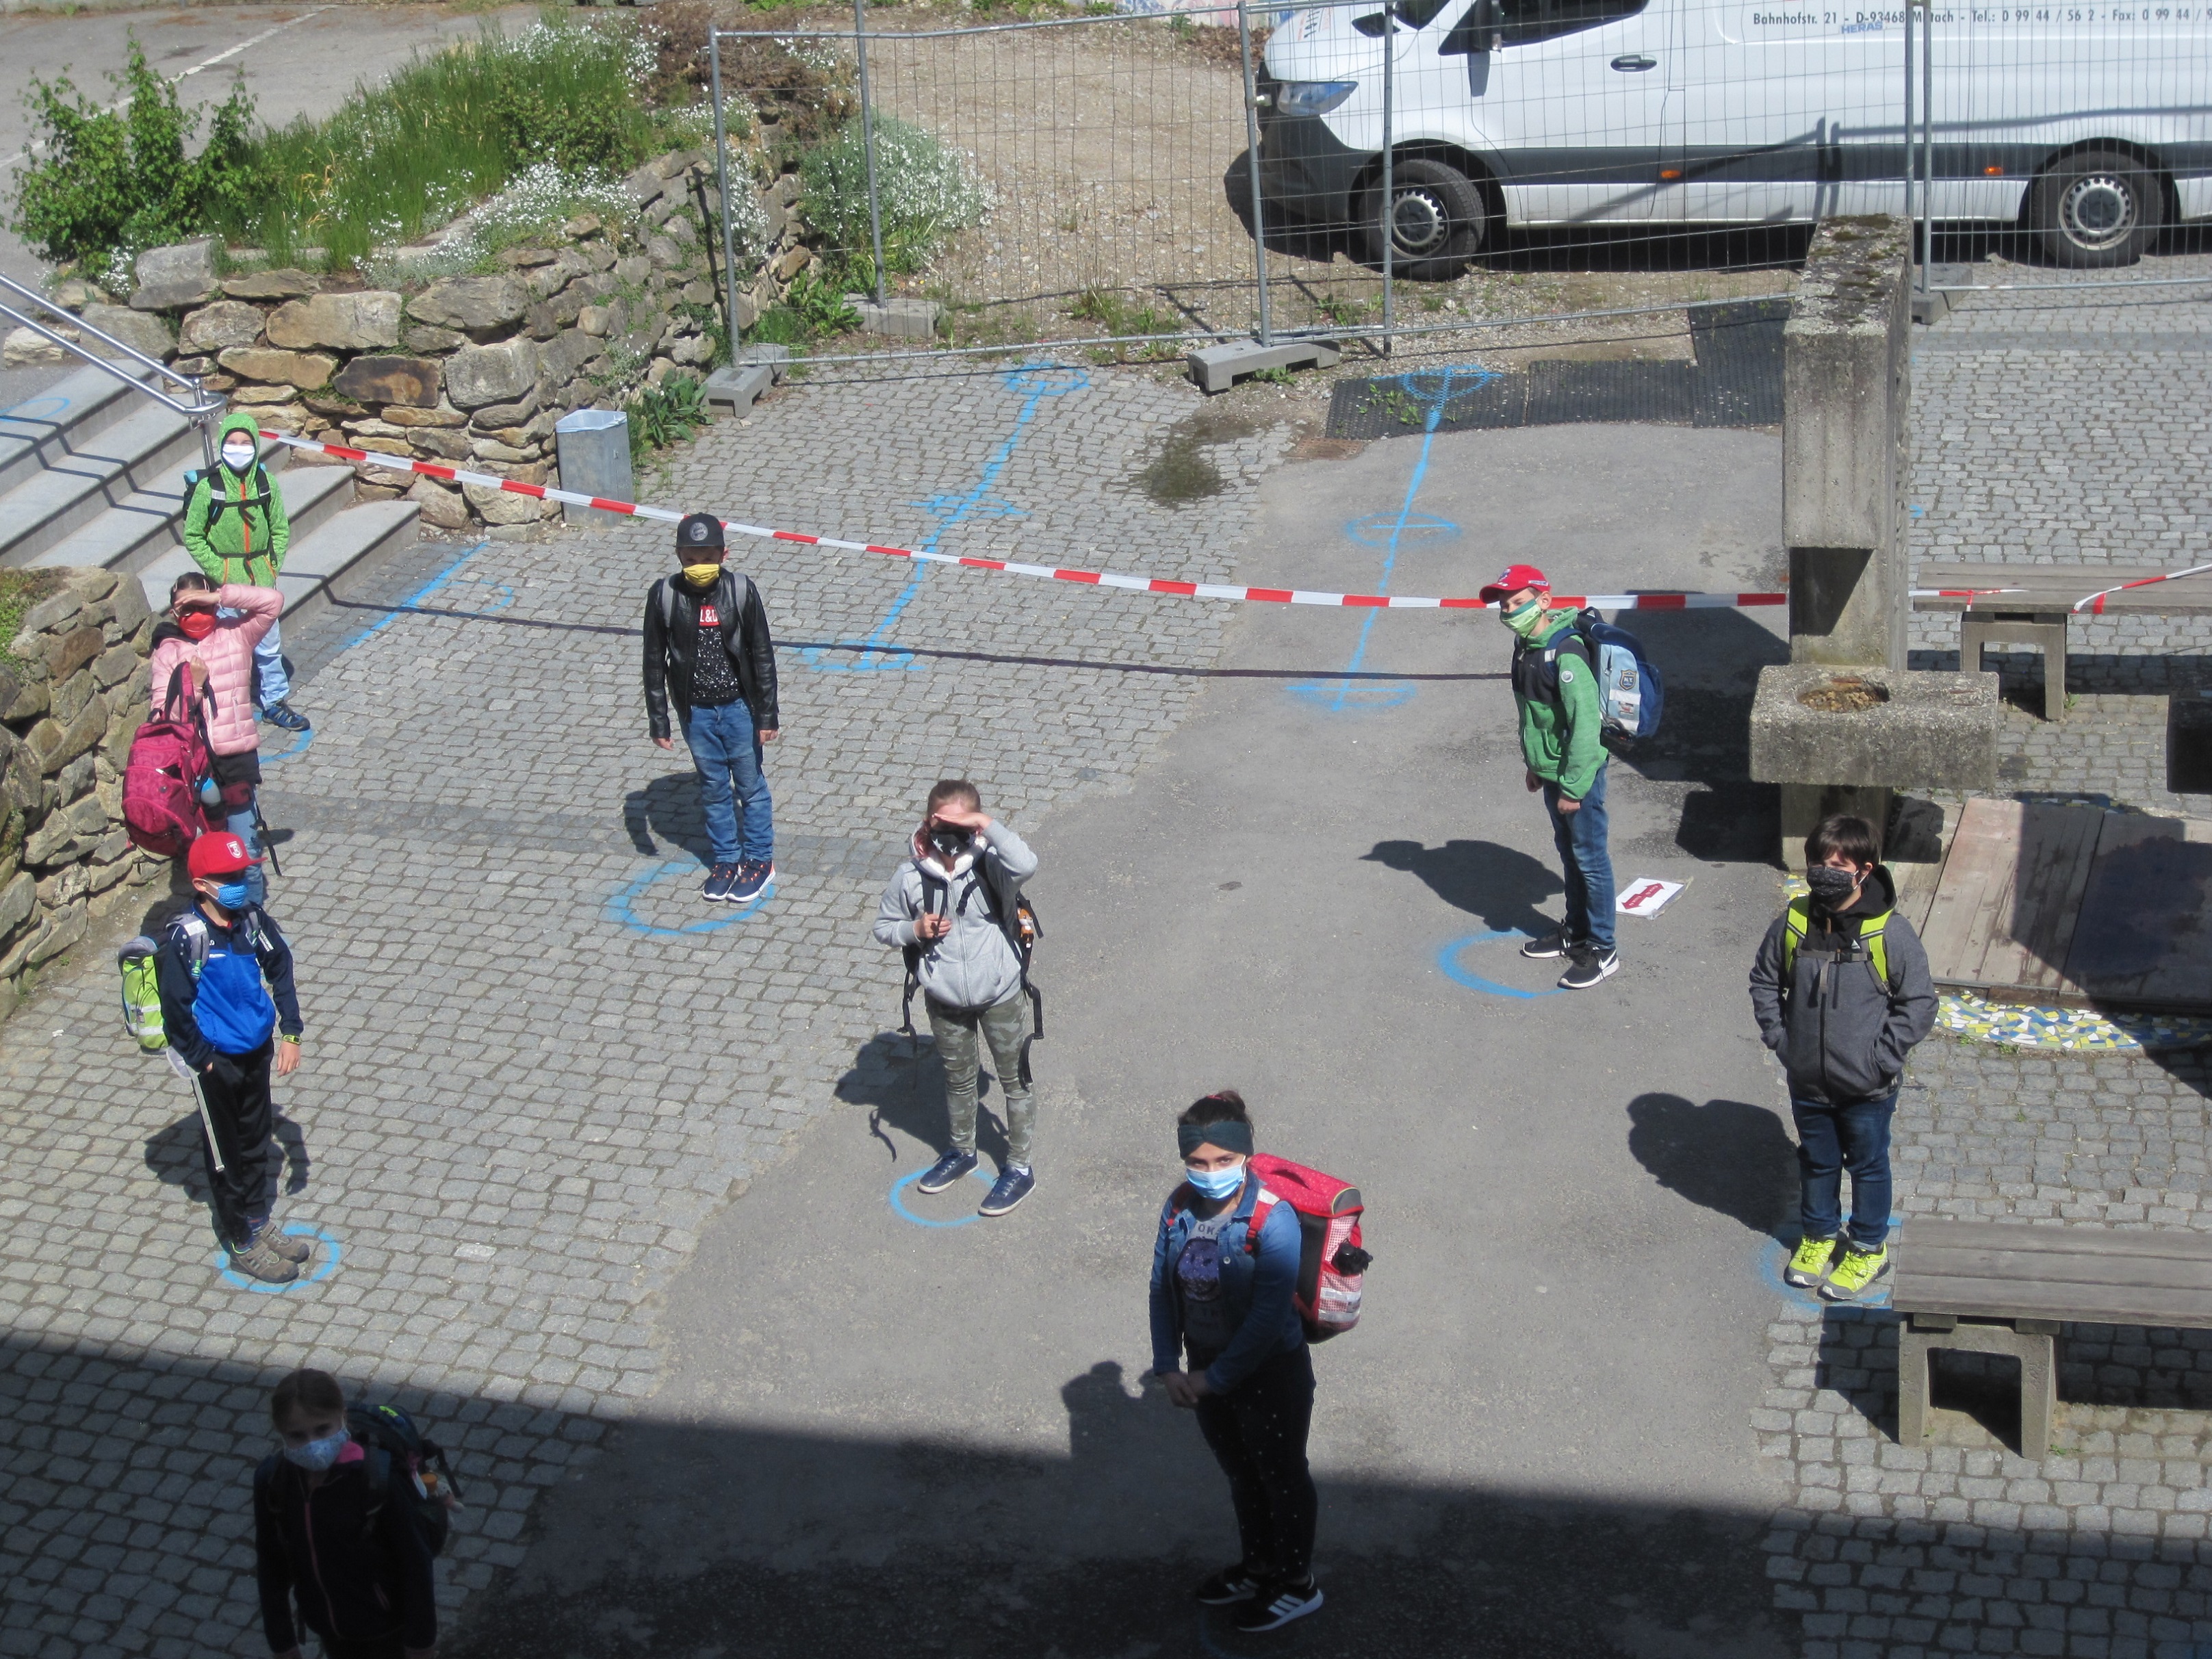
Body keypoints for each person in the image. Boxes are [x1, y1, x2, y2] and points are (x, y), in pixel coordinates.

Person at [1148, 1090, 1322, 1634]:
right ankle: (1258, 1567)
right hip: (1205, 1369)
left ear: (1245, 1154)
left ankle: (1297, 1585)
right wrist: (1167, 1365)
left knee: (1282, 1476)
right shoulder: (1179, 1206)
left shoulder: (1273, 1221)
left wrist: (1211, 1379)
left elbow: (1268, 1320)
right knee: (1242, 1474)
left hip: (1270, 1374)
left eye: (1223, 1161)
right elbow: (1160, 1287)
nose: (1210, 1173)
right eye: (1198, 1163)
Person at [1749, 813, 1937, 1303]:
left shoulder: (1889, 934)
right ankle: (1818, 1238)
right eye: (1818, 862)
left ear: (1864, 870)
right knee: (1817, 1160)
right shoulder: (1793, 922)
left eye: (1837, 864)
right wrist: (1781, 1039)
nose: (1824, 871)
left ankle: (1869, 1247)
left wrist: (1883, 1058)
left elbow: (1918, 1003)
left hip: (1868, 1087)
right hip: (1808, 1080)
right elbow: (1765, 981)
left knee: (1868, 1165)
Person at [873, 780, 1041, 1217]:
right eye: (941, 823)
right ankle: (961, 1151)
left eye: (960, 825)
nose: (950, 835)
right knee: (958, 1079)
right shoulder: (910, 875)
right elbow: (883, 927)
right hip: (945, 999)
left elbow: (1027, 861)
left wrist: (985, 825)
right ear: (927, 822)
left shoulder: (992, 866)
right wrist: (915, 930)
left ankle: (1020, 1168)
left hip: (1000, 993)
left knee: (1014, 1080)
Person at [155, 830, 307, 1285]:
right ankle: (242, 1239)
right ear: (201, 884)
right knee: (226, 1156)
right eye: (228, 876)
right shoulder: (189, 937)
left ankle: (259, 1219)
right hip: (215, 1061)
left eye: (242, 873)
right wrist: (203, 1059)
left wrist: (291, 1032)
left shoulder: (251, 919)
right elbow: (174, 1007)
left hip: (255, 1051)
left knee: (257, 1138)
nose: (239, 882)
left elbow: (280, 965)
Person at [1480, 562, 1619, 990]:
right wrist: (1535, 766)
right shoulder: (1526, 647)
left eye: (1518, 602)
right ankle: (1574, 931)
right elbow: (1535, 716)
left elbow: (1585, 727)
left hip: (1578, 774)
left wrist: (1575, 788)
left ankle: (1602, 947)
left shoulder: (1567, 653)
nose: (1509, 609)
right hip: (1552, 770)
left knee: (1591, 859)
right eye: (1504, 603)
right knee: (1569, 853)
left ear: (1544, 601)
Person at [643, 511, 780, 905]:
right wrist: (660, 720)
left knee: (751, 788)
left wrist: (767, 714)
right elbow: (654, 660)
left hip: (739, 709)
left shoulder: (740, 590)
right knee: (714, 789)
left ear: (724, 554)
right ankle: (726, 861)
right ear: (678, 555)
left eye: (706, 558)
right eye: (689, 559)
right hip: (696, 713)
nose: (698, 567)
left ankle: (759, 860)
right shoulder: (665, 594)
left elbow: (762, 653)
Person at [255, 1368, 437, 1659]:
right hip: (329, 1628)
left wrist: (421, 1645)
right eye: (297, 1435)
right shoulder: (273, 1481)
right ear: (280, 1431)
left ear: (342, 1417)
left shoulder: (377, 1480)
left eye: (322, 1429)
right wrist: (282, 1642)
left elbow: (416, 1563)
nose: (313, 1445)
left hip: (386, 1628)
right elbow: (271, 1564)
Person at [150, 571, 282, 906]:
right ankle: (219, 916)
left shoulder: (236, 635)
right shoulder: (168, 652)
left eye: (200, 604)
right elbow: (165, 718)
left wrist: (220, 596)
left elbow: (272, 602)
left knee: (245, 852)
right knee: (211, 854)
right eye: (186, 607)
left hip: (236, 761)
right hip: (197, 766)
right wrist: (193, 685)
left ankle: (251, 917)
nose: (195, 614)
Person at [184, 412, 307, 732]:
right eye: (232, 443)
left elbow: (280, 528)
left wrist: (271, 565)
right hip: (226, 583)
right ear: (222, 445)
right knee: (226, 648)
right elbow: (193, 536)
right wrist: (221, 570)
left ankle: (274, 701)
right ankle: (222, 704)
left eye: (246, 443)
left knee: (269, 646)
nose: (239, 449)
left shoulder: (267, 484)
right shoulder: (208, 489)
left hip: (262, 581)